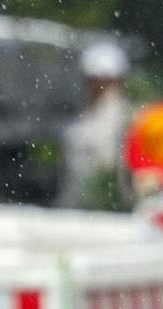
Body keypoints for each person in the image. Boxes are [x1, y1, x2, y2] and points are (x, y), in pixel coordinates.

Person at [60, 40, 132, 210]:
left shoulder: (127, 117)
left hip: (110, 208)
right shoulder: (81, 117)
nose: (98, 86)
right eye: (93, 80)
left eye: (105, 80)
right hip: (76, 207)